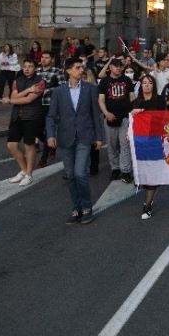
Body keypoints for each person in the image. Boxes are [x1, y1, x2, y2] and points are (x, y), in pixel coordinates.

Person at [46, 57, 105, 224]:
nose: (82, 70)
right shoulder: (58, 92)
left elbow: (96, 115)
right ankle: (76, 208)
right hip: (65, 138)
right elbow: (51, 116)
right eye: (78, 67)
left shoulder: (90, 89)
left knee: (80, 173)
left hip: (85, 138)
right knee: (71, 175)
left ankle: (87, 207)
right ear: (68, 70)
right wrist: (50, 135)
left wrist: (99, 137)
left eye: (82, 67)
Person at [4, 58, 46, 187]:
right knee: (11, 145)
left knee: (29, 145)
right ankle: (23, 170)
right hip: (17, 116)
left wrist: (11, 101)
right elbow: (15, 96)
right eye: (25, 66)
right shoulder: (17, 81)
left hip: (32, 117)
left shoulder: (40, 81)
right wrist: (27, 90)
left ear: (35, 68)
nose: (27, 69)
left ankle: (29, 174)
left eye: (30, 66)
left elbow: (29, 100)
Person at [131, 74, 166, 219]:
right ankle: (148, 197)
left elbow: (164, 118)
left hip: (155, 141)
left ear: (154, 85)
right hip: (140, 142)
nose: (147, 85)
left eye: (150, 83)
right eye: (144, 83)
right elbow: (131, 123)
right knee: (143, 174)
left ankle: (147, 205)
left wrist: (148, 115)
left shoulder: (159, 100)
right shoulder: (136, 101)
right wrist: (133, 114)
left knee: (151, 175)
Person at [98, 58, 136, 182]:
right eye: (115, 66)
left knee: (125, 144)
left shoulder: (127, 80)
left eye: (120, 66)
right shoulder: (104, 81)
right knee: (112, 145)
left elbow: (132, 96)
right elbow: (101, 100)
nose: (118, 68)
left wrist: (131, 111)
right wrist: (106, 113)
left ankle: (125, 171)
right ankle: (115, 169)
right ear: (110, 68)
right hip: (109, 118)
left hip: (125, 117)